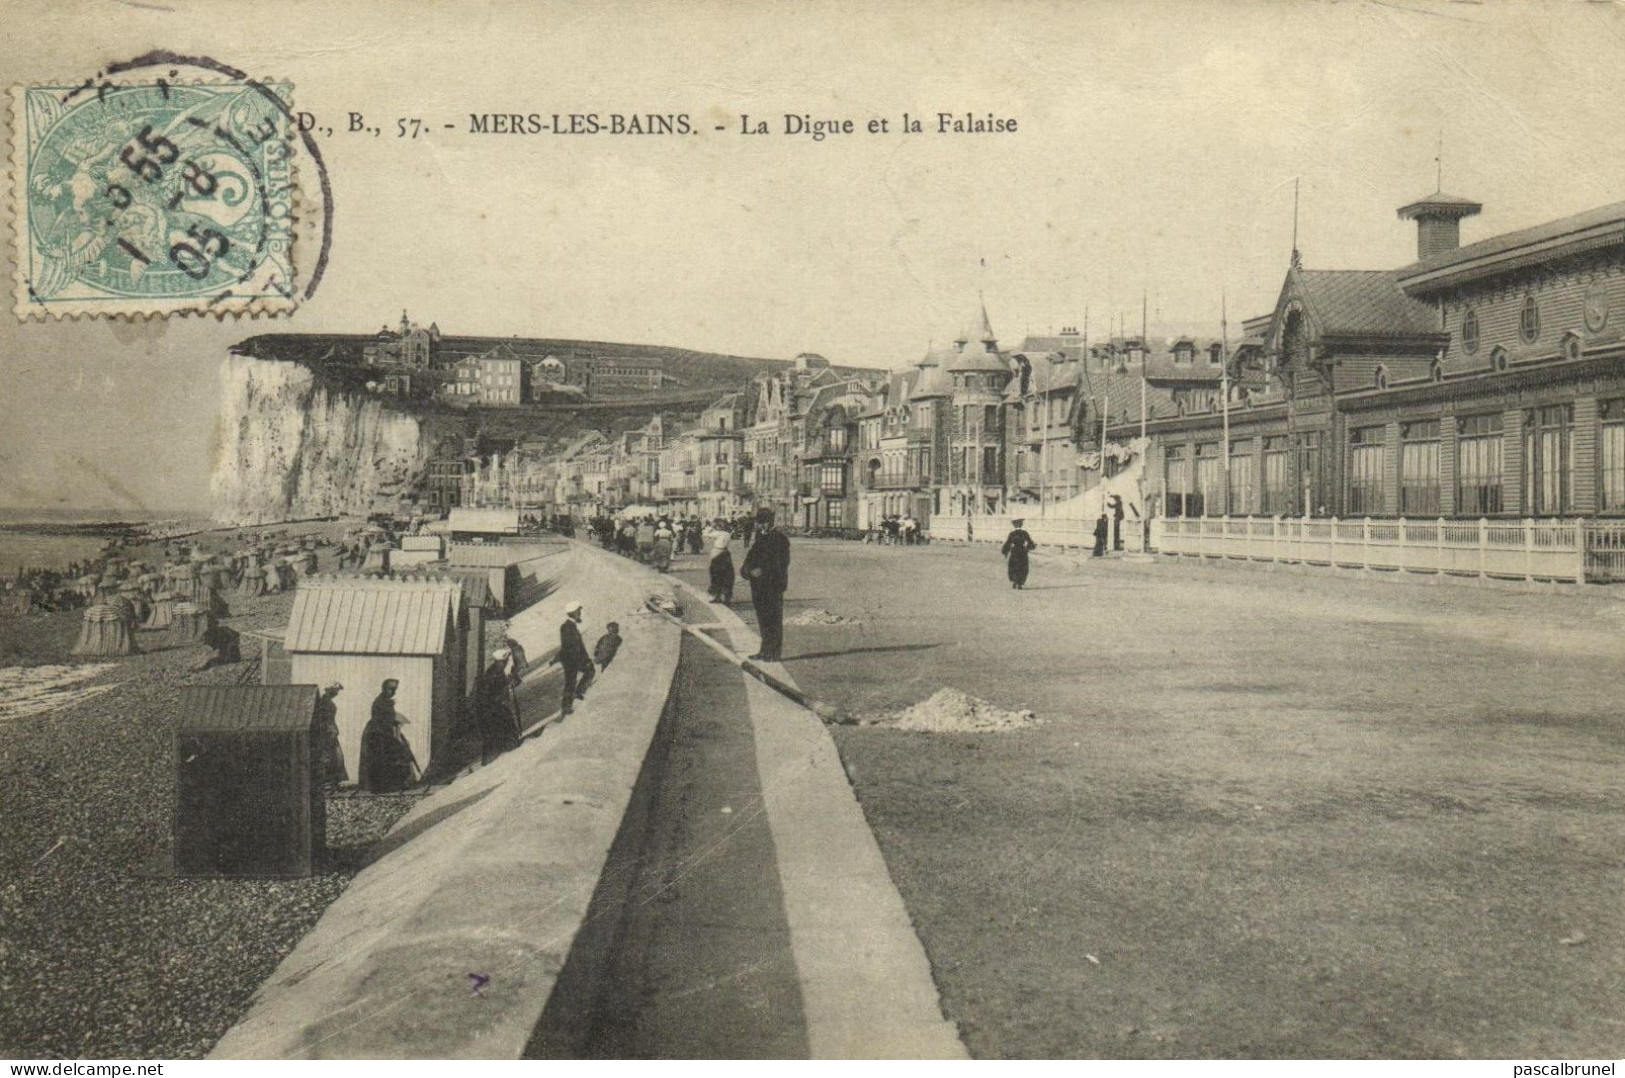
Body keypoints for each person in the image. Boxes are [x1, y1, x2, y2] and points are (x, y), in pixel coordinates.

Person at [739, 507, 790, 662]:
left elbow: (782, 564)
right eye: (758, 524)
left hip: (773, 586)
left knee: (773, 619)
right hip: (758, 586)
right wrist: (748, 572)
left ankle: (773, 653)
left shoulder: (780, 539)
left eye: (761, 524)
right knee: (763, 619)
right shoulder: (759, 540)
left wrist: (762, 571)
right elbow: (748, 562)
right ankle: (764, 650)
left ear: (768, 523)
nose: (759, 527)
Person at [359, 679, 418, 793]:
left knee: (396, 753)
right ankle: (383, 787)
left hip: (384, 732)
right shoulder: (381, 702)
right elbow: (381, 719)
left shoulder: (386, 701)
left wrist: (393, 722)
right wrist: (392, 722)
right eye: (391, 689)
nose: (393, 692)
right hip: (377, 734)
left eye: (394, 689)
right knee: (386, 757)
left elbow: (388, 718)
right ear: (384, 688)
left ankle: (393, 784)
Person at [477, 649, 522, 763]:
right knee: (498, 723)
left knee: (503, 720)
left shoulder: (497, 669)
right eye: (505, 661)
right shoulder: (494, 673)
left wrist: (509, 683)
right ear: (499, 661)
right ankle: (508, 745)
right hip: (487, 706)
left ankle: (508, 744)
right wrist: (505, 688)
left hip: (490, 704)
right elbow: (489, 692)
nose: (507, 662)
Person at [558, 600, 594, 717]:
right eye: (579, 612)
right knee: (573, 680)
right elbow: (575, 646)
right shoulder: (568, 627)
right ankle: (568, 705)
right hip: (571, 659)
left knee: (572, 681)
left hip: (570, 659)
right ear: (574, 613)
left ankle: (574, 697)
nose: (580, 614)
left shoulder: (568, 626)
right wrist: (584, 660)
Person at [314, 682, 348, 787]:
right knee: (331, 755)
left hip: (330, 730)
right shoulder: (325, 702)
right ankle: (329, 781)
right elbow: (327, 720)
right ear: (330, 690)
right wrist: (331, 731)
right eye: (336, 690)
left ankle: (332, 781)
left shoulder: (326, 701)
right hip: (327, 732)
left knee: (335, 755)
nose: (337, 693)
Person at [1001, 519, 1037, 589]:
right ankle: (1020, 583)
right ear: (1021, 525)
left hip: (1014, 552)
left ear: (1014, 526)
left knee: (1014, 566)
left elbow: (1008, 543)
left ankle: (1015, 581)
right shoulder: (1024, 533)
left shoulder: (1012, 534)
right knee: (1022, 567)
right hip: (1023, 552)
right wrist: (1029, 547)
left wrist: (1005, 551)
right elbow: (1030, 542)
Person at [708, 527, 736, 603]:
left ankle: (716, 595)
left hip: (717, 551)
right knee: (727, 575)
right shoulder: (727, 534)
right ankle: (726, 596)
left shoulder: (718, 533)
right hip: (725, 552)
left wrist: (711, 528)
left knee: (716, 574)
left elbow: (708, 534)